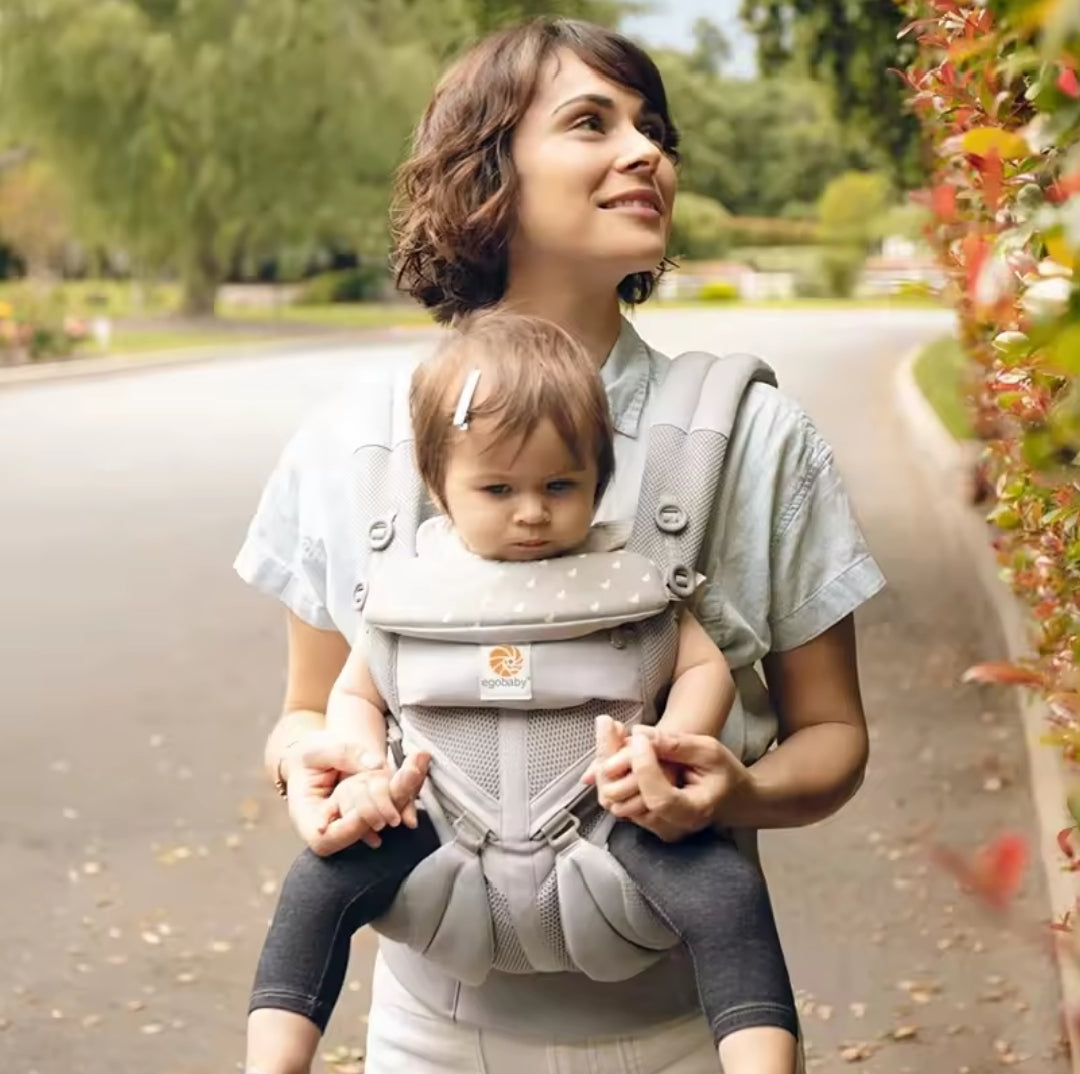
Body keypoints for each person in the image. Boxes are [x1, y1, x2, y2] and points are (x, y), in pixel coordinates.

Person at [235, 16, 885, 1073]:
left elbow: (835, 741)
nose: (648, 154)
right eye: (593, 123)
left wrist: (737, 790)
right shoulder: (349, 441)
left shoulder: (755, 437)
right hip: (427, 1040)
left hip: (688, 1033)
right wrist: (310, 762)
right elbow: (306, 712)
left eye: (654, 130)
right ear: (488, 172)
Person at [244, 313, 799, 1074]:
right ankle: (273, 1060)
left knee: (728, 894)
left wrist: (668, 742)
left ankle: (761, 1061)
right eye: (498, 488)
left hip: (613, 819)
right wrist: (364, 767)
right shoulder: (412, 591)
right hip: (434, 821)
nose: (532, 511)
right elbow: (355, 692)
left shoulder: (633, 585)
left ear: (599, 482)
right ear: (439, 489)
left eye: (560, 485)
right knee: (316, 887)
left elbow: (701, 667)